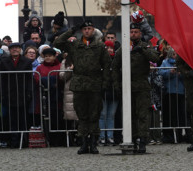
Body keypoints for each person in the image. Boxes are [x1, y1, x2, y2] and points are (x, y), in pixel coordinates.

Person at [55, 19, 110, 154]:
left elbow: (107, 66)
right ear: (81, 31)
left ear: (93, 30)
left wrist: (105, 84)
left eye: (89, 29)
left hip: (94, 83)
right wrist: (71, 31)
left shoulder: (99, 46)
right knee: (82, 114)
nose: (87, 31)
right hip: (79, 83)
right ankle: (84, 143)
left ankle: (94, 143)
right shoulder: (75, 44)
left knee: (94, 114)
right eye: (84, 29)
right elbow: (57, 43)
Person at [114, 23, 161, 153]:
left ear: (140, 33)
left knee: (142, 115)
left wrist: (143, 51)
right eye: (131, 32)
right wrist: (117, 84)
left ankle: (142, 140)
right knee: (130, 115)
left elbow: (156, 58)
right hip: (127, 86)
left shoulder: (145, 45)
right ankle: (132, 139)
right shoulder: (124, 47)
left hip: (141, 85)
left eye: (136, 32)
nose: (133, 34)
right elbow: (115, 66)